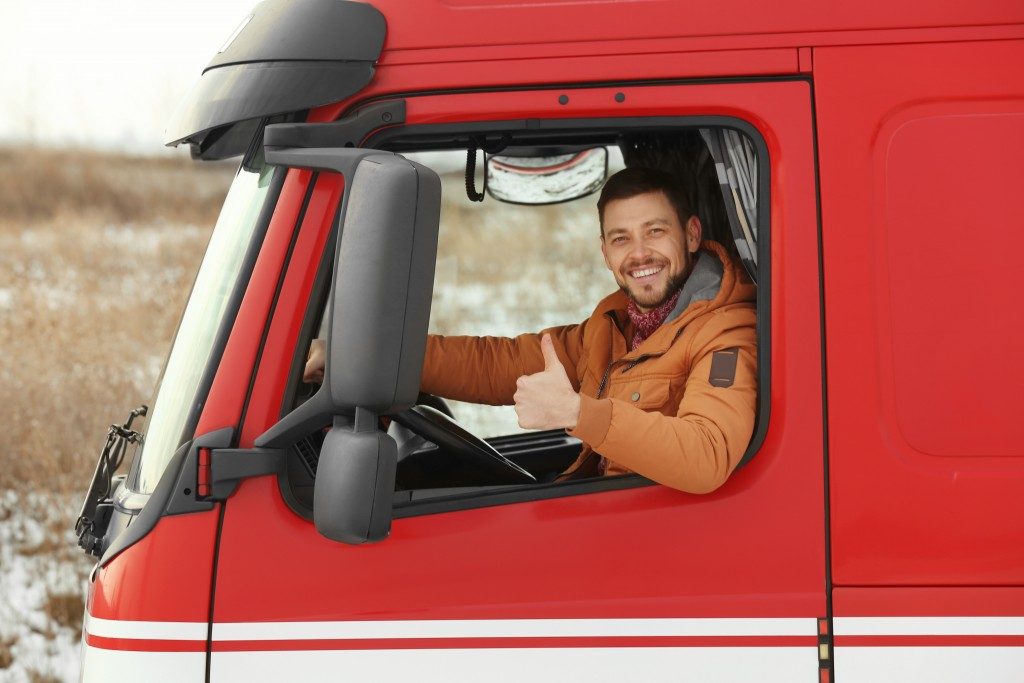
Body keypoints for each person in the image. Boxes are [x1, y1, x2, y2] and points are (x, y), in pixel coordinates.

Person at [305, 167, 757, 494]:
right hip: (602, 524)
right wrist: (362, 354)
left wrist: (579, 413)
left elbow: (707, 455)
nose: (639, 254)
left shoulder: (725, 330)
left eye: (655, 232)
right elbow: (498, 363)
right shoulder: (614, 323)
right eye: (621, 238)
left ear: (692, 235)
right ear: (604, 251)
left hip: (653, 549)